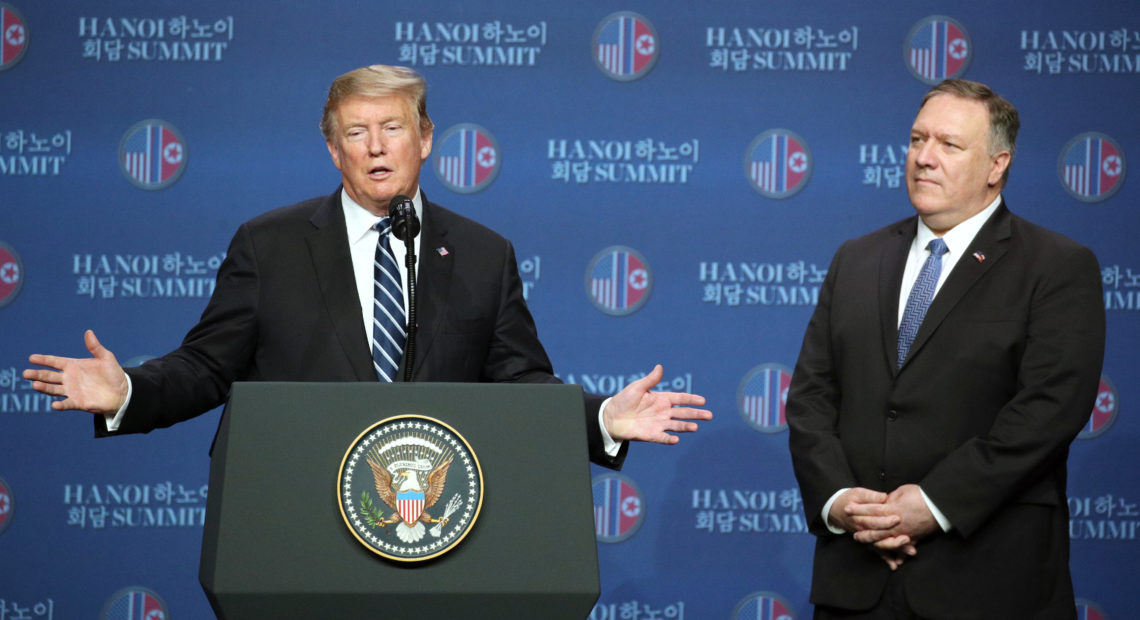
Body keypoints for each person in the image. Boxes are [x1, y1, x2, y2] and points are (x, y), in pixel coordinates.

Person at [23, 64, 711, 468]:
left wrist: (601, 422)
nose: (376, 147)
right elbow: (208, 367)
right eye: (356, 132)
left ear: (427, 140)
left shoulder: (481, 253)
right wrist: (129, 394)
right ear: (333, 150)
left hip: (433, 522)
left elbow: (519, 385)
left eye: (393, 129)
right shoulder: (271, 244)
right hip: (293, 513)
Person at [786, 79, 1104, 619]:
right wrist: (843, 503)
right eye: (917, 140)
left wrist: (933, 505)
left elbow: (1049, 410)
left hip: (987, 583)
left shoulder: (1055, 266)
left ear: (996, 165)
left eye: (948, 145)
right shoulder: (857, 260)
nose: (924, 158)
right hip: (859, 582)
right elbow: (811, 397)